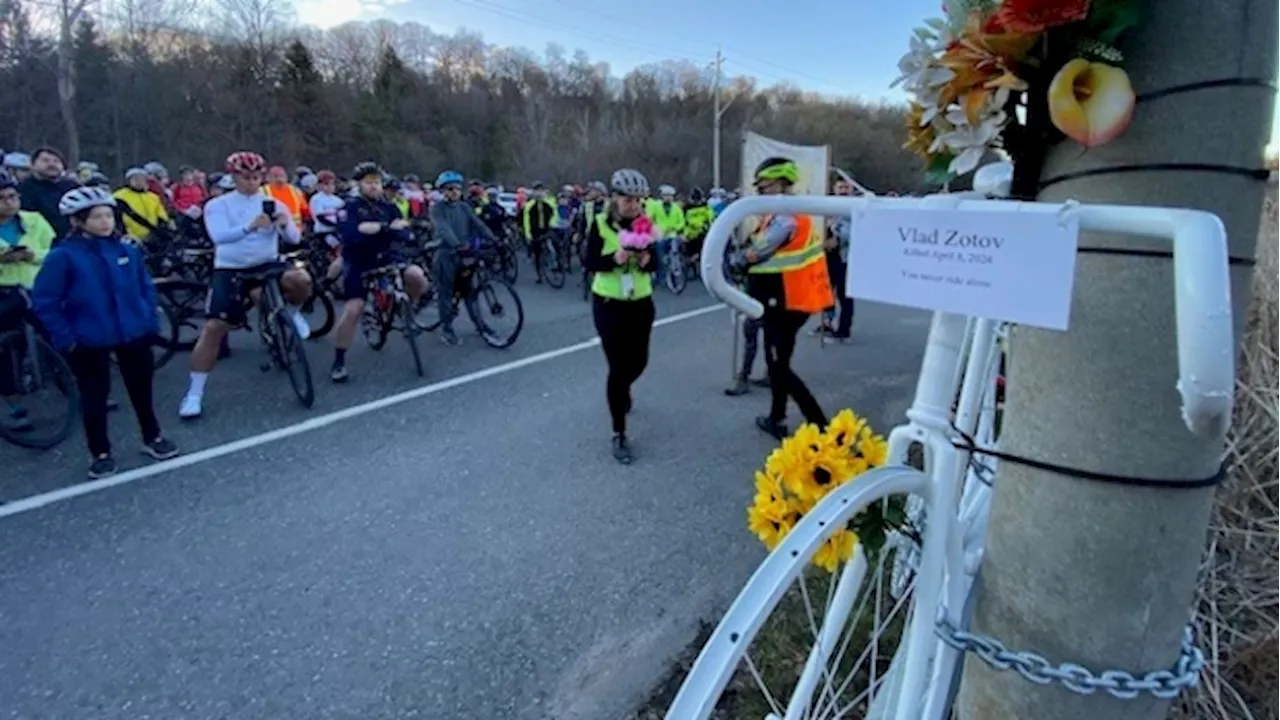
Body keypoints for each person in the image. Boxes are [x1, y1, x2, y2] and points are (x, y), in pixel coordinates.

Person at [30, 187, 179, 478]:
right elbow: (45, 301)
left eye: (108, 215)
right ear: (78, 221)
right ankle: (100, 451)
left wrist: (148, 320)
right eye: (96, 217)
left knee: (141, 388)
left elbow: (145, 288)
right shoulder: (63, 256)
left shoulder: (127, 249)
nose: (104, 222)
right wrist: (66, 338)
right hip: (88, 337)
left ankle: (152, 437)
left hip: (132, 332)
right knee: (95, 396)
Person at [177, 151, 313, 420]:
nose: (251, 182)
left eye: (255, 177)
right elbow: (219, 237)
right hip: (231, 268)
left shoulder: (273, 202)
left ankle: (293, 316)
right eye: (245, 177)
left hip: (267, 263)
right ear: (234, 177)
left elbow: (295, 238)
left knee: (301, 279)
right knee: (215, 328)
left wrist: (285, 226)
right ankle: (194, 393)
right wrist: (249, 227)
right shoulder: (218, 205)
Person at [730, 157, 834, 439]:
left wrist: (739, 260)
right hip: (782, 298)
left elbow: (759, 252)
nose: (761, 193)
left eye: (765, 187)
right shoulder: (778, 214)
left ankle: (820, 425)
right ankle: (777, 417)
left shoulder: (786, 218)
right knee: (777, 361)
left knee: (779, 366)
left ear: (781, 183)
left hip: (786, 300)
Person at [329, 162, 428, 382]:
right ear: (359, 184)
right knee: (355, 308)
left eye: (377, 182)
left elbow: (403, 233)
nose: (374, 186)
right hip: (360, 261)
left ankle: (407, 311)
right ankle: (339, 360)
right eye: (369, 182)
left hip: (388, 256)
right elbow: (349, 235)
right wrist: (383, 229)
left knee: (417, 277)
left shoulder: (389, 207)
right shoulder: (350, 207)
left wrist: (396, 230)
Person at [586, 168, 659, 465]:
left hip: (640, 302)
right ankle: (619, 432)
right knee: (617, 368)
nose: (634, 205)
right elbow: (589, 262)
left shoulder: (646, 223)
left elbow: (657, 264)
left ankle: (623, 388)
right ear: (615, 198)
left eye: (639, 200)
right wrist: (612, 259)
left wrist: (646, 260)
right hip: (609, 303)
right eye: (628, 199)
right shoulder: (600, 224)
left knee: (639, 362)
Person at [0, 171, 56, 432]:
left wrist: (32, 254)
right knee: (4, 351)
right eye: (1, 199)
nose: (9, 203)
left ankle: (74, 384)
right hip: (3, 292)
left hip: (36, 288)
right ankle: (14, 404)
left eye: (12, 197)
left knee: (57, 335)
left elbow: (53, 251)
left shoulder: (33, 220)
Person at [429, 169, 497, 346]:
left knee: (469, 293)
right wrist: (457, 244)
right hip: (446, 254)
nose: (454, 192)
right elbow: (443, 229)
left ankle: (480, 325)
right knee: (445, 293)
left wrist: (494, 239)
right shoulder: (437, 209)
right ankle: (446, 329)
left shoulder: (464, 207)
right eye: (450, 189)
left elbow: (478, 224)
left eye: (457, 188)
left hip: (464, 255)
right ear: (443, 191)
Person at [17, 147, 80, 239]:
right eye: (45, 161)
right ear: (32, 165)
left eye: (56, 161)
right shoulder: (23, 189)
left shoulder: (72, 187)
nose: (52, 164)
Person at [822, 177, 855, 341]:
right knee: (826, 291)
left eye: (846, 187)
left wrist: (836, 230)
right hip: (828, 256)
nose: (842, 191)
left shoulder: (854, 209)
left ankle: (844, 329)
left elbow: (854, 233)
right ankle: (827, 321)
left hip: (845, 258)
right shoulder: (829, 207)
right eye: (839, 187)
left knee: (844, 294)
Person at [114, 167, 172, 245]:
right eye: (135, 179)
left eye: (141, 178)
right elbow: (117, 218)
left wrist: (162, 228)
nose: (139, 181)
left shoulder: (153, 197)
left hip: (153, 238)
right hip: (131, 238)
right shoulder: (119, 196)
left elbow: (161, 215)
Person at [309, 170, 345, 286]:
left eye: (332, 184)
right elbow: (320, 217)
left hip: (337, 231)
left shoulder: (338, 200)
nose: (330, 187)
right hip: (324, 232)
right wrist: (335, 226)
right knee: (335, 245)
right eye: (326, 184)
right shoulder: (316, 199)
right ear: (319, 185)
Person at [521, 182, 557, 277]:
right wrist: (528, 234)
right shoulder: (529, 205)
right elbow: (526, 221)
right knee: (537, 253)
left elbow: (554, 215)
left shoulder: (549, 203)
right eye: (537, 191)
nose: (539, 193)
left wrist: (552, 225)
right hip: (535, 231)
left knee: (552, 248)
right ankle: (539, 273)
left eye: (541, 190)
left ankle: (554, 265)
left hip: (547, 229)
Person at [683, 187, 714, 262]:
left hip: (702, 231)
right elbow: (685, 221)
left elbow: (710, 218)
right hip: (691, 233)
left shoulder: (706, 207)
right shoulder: (687, 208)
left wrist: (704, 226)